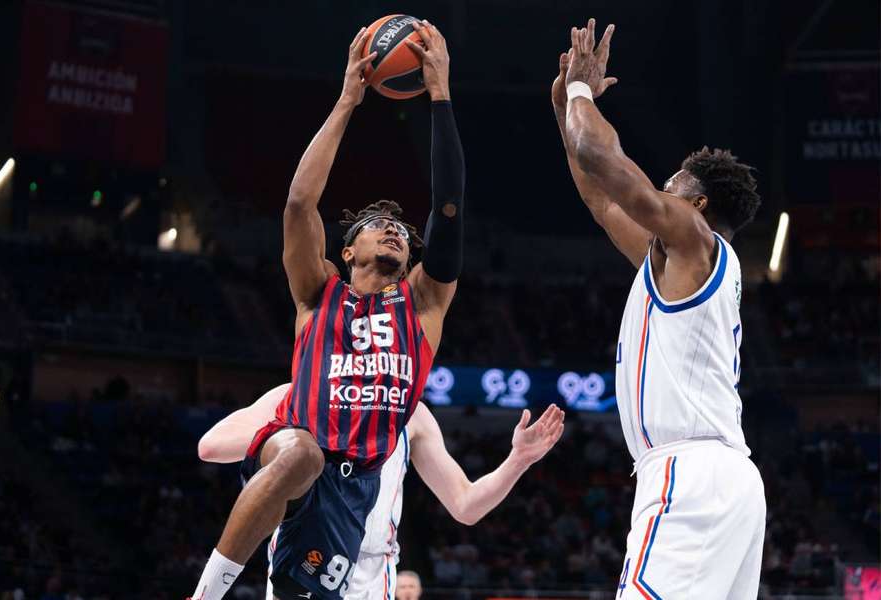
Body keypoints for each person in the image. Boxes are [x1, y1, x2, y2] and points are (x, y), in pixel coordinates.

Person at [190, 20, 467, 600]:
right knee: (301, 452)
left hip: (352, 495)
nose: (394, 231)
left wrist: (439, 96)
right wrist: (348, 99)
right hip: (297, 452)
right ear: (347, 250)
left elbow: (447, 213)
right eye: (378, 227)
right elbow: (298, 202)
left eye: (401, 230)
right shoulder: (319, 295)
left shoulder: (422, 307)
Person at [553, 18, 766, 600]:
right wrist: (564, 106)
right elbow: (600, 197)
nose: (659, 194)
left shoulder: (693, 236)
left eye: (671, 185)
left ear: (696, 203)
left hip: (689, 474)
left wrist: (580, 94)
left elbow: (604, 157)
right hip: (726, 480)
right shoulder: (679, 265)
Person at [198, 384, 565, 600]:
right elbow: (212, 446)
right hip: (305, 559)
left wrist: (518, 460)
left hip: (375, 573)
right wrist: (296, 435)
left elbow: (466, 505)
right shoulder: (303, 392)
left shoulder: (412, 413)